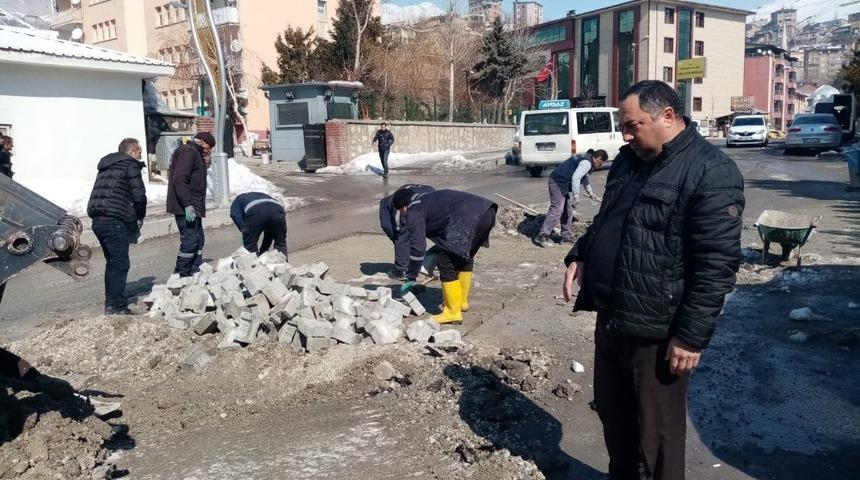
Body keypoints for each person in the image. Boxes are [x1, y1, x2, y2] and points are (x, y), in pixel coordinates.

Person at [561, 80, 744, 480]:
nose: (625, 135)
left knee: (656, 439)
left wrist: (691, 336)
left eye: (632, 126)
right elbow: (609, 219)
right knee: (616, 420)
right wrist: (581, 255)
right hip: (612, 317)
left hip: (658, 332)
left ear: (666, 116)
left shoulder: (710, 171)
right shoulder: (629, 160)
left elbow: (716, 264)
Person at [393, 188, 497, 324]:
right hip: (487, 212)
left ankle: (452, 312)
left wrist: (411, 276)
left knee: (446, 263)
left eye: (400, 212)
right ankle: (461, 303)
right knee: (463, 257)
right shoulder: (427, 199)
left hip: (468, 219)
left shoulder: (413, 211)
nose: (403, 215)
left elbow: (418, 248)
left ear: (404, 206)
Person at [86, 138, 147, 315]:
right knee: (120, 263)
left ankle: (112, 302)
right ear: (131, 152)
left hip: (98, 219)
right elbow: (139, 195)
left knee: (112, 263)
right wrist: (139, 216)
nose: (140, 156)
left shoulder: (107, 165)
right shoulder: (130, 165)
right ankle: (117, 306)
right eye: (139, 152)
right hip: (114, 220)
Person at [533, 148, 609, 247]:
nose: (601, 165)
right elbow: (576, 178)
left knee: (567, 212)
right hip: (557, 182)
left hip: (562, 184)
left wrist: (590, 193)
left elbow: (584, 178)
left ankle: (565, 237)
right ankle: (542, 235)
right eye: (601, 162)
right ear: (599, 159)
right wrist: (576, 196)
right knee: (557, 208)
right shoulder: (587, 163)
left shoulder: (587, 160)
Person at [167, 132, 215, 277]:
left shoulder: (195, 153)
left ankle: (195, 271)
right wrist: (187, 204)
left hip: (194, 207)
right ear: (201, 141)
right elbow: (180, 178)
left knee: (198, 239)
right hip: (186, 207)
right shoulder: (188, 151)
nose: (209, 150)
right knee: (190, 241)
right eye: (208, 146)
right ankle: (181, 275)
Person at [379, 184, 435, 280]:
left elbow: (390, 229)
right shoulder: (401, 193)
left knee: (402, 236)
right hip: (432, 195)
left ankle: (401, 271)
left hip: (413, 200)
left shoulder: (393, 204)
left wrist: (399, 241)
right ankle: (433, 264)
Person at [230, 191, 288, 259]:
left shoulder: (237, 200)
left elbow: (234, 214)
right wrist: (263, 252)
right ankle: (284, 267)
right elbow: (269, 235)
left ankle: (255, 268)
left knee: (250, 247)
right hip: (278, 211)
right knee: (280, 243)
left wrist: (244, 228)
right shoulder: (261, 195)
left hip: (256, 211)